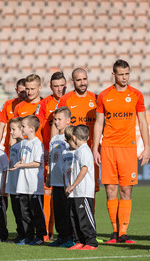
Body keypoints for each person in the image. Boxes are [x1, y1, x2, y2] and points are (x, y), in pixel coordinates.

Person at [93, 59, 150, 244]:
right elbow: (99, 122)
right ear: (114, 75)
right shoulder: (104, 96)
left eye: (127, 74)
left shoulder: (136, 95)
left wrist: (147, 147)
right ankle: (114, 232)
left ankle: (124, 233)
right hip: (108, 147)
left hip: (128, 148)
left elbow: (142, 122)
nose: (124, 78)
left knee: (126, 191)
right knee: (111, 190)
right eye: (121, 74)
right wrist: (96, 147)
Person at [56, 68, 100, 193]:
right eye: (79, 80)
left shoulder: (96, 99)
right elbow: (58, 124)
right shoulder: (66, 99)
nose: (82, 83)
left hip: (90, 152)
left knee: (90, 189)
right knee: (70, 188)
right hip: (70, 153)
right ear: (72, 81)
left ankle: (90, 213)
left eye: (84, 79)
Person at [36, 71, 67, 241]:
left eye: (62, 85)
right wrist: (45, 149)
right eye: (56, 86)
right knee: (49, 193)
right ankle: (47, 232)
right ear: (50, 87)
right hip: (51, 153)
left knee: (66, 193)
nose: (59, 88)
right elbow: (38, 128)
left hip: (68, 153)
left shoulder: (69, 100)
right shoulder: (45, 103)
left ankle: (68, 231)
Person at [10, 115, 47, 245]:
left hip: (33, 186)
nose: (22, 128)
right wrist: (20, 162)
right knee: (24, 213)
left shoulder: (37, 143)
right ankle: (28, 236)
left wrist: (22, 165)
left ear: (31, 128)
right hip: (22, 184)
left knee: (36, 213)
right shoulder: (23, 143)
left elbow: (37, 163)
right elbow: (25, 159)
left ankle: (40, 237)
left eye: (23, 126)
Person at [65, 125, 98, 250]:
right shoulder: (79, 150)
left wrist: (73, 185)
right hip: (76, 192)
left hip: (84, 191)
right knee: (75, 217)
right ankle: (79, 240)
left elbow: (84, 169)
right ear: (88, 137)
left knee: (85, 217)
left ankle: (91, 242)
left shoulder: (84, 150)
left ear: (73, 137)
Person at [47, 107, 72, 247]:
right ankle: (61, 236)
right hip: (55, 180)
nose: (56, 122)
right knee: (58, 210)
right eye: (54, 119)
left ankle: (70, 237)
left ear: (68, 121)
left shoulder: (70, 137)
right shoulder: (54, 138)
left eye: (59, 119)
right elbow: (52, 158)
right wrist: (49, 174)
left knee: (67, 210)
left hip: (65, 182)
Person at [5, 117, 26, 242]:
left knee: (24, 212)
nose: (11, 132)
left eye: (13, 129)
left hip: (21, 186)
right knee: (17, 212)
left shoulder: (25, 146)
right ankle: (20, 234)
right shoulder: (14, 146)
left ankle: (26, 234)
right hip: (13, 185)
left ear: (21, 129)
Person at [0, 78, 26, 153]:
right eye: (21, 92)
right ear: (16, 91)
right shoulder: (8, 104)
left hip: (27, 146)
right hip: (11, 146)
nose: (24, 95)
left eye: (25, 91)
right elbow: (0, 127)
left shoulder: (35, 105)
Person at [13, 74, 44, 141]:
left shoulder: (46, 105)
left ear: (40, 87)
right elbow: (14, 132)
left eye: (32, 89)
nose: (30, 92)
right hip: (24, 148)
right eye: (27, 89)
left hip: (43, 149)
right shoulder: (19, 107)